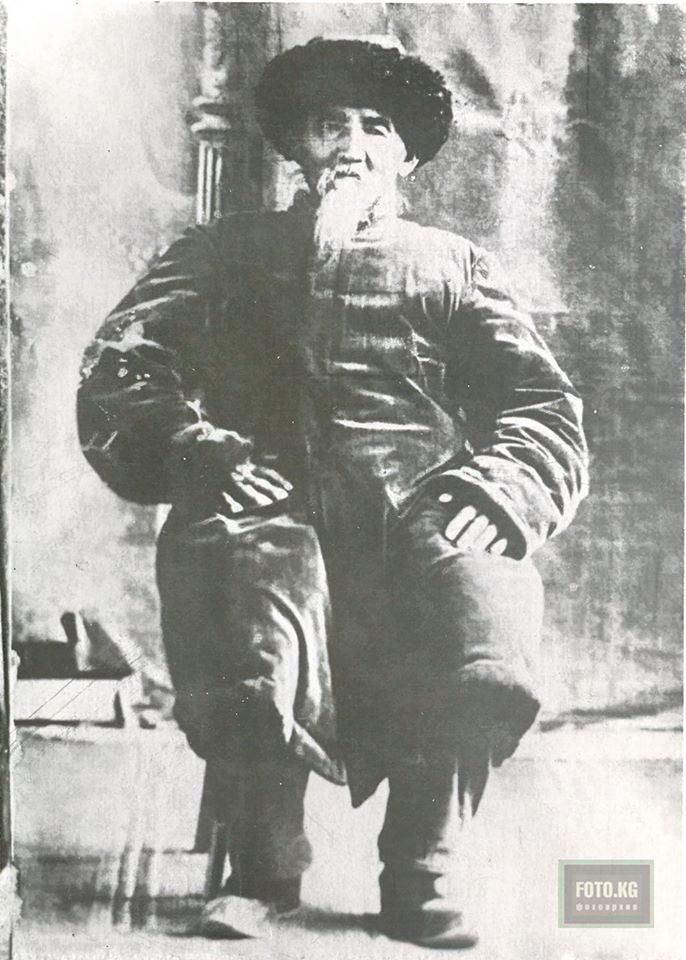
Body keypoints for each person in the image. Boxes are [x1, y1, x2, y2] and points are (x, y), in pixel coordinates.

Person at [77, 37, 589, 948]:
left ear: (407, 156)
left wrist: (500, 489)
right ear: (297, 146)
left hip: (414, 509)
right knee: (248, 609)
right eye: (329, 125)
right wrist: (201, 451)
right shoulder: (224, 250)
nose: (352, 146)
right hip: (261, 495)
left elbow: (539, 405)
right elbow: (120, 366)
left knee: (483, 612)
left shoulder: (452, 265)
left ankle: (422, 868)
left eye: (376, 127)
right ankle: (263, 870)